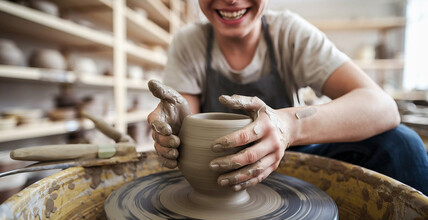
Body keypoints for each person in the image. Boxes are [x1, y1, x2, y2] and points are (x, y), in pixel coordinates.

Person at [147, 0, 428, 195]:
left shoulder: (289, 32)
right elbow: (186, 119)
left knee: (402, 145)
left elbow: (382, 107)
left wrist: (289, 126)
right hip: (220, 170)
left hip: (292, 159)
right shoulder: (189, 42)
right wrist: (175, 129)